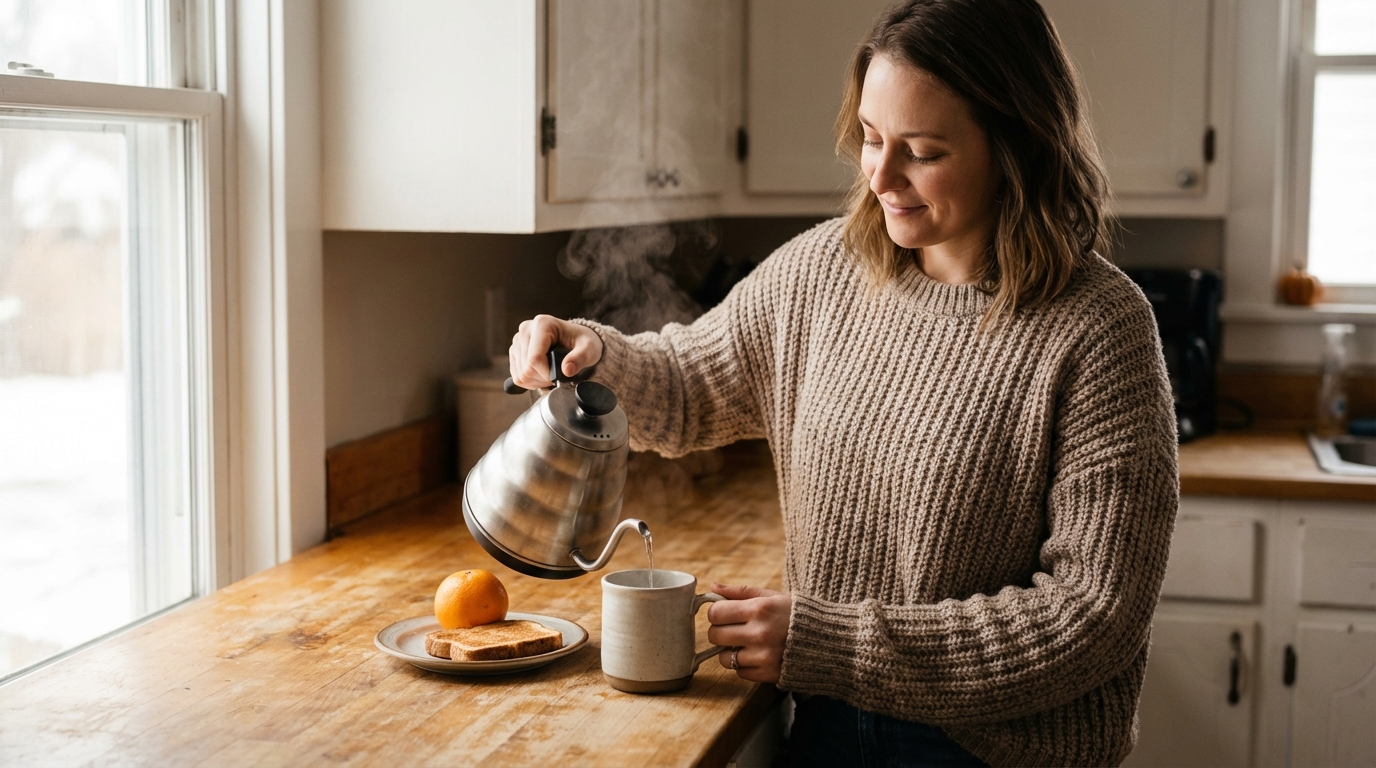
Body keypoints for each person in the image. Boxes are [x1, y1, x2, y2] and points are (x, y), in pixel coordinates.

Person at [509, 0, 1177, 765]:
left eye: (922, 151)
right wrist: (590, 350)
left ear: (1015, 145)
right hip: (826, 724)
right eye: (869, 137)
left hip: (989, 750)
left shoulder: (1100, 328)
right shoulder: (824, 271)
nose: (881, 176)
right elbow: (689, 384)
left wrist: (829, 643)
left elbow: (1090, 618)